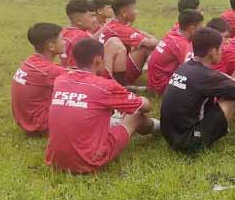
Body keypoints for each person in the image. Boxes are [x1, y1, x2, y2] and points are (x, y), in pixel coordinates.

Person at [45, 38, 157, 174]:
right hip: (89, 161)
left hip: (55, 160)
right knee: (136, 115)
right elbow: (146, 107)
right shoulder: (105, 86)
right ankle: (162, 128)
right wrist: (140, 99)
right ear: (98, 61)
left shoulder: (60, 80)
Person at [11, 23, 67, 134]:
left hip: (26, 120)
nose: (65, 41)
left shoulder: (31, 61)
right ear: (51, 46)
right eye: (62, 39)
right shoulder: (49, 71)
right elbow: (83, 80)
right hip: (39, 124)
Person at [97, 0, 159, 86]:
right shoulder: (119, 28)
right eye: (134, 9)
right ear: (124, 13)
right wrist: (165, 43)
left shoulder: (116, 24)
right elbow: (150, 43)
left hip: (110, 67)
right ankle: (124, 85)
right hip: (111, 73)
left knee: (148, 45)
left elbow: (142, 35)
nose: (136, 12)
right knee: (145, 48)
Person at [147, 9, 203, 94]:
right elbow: (192, 71)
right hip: (161, 86)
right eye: (200, 27)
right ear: (192, 28)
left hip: (155, 82)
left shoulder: (174, 32)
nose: (202, 30)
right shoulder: (182, 45)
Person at [61, 0, 97, 67]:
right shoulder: (82, 37)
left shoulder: (64, 32)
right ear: (79, 21)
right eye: (92, 16)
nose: (95, 20)